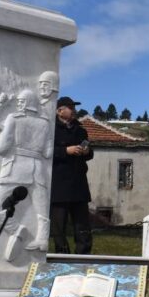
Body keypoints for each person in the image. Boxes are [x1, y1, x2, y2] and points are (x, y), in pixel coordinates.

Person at [0, 89, 53, 260]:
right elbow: (47, 152)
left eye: (21, 101)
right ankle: (42, 239)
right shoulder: (45, 123)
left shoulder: (13, 119)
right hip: (37, 168)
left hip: (16, 166)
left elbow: (1, 149)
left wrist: (2, 133)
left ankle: (15, 229)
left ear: (28, 103)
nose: (18, 104)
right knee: (41, 207)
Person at [50, 96, 94, 254]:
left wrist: (86, 151)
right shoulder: (51, 130)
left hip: (78, 185)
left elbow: (90, 153)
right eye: (70, 107)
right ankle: (61, 256)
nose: (74, 110)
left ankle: (83, 256)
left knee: (82, 226)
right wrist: (65, 151)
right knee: (58, 227)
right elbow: (46, 152)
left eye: (73, 107)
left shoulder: (80, 130)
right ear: (59, 111)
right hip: (59, 186)